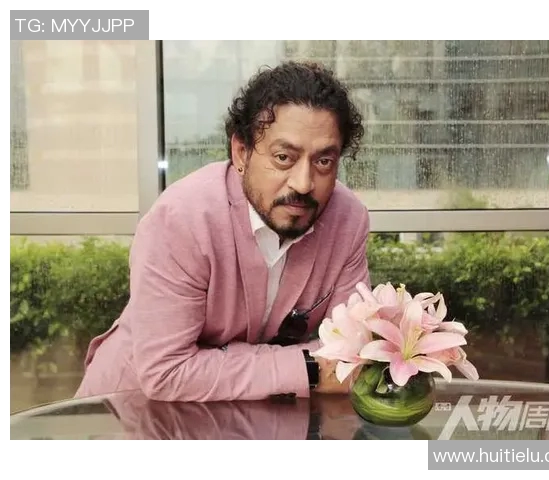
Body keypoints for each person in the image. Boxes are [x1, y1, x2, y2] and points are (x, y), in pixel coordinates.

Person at [75, 60, 371, 403]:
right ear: (241, 152)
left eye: (323, 162)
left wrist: (226, 365)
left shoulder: (348, 220)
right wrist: (308, 368)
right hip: (129, 409)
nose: (303, 183)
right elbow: (167, 372)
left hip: (244, 412)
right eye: (283, 157)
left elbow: (349, 352)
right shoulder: (181, 219)